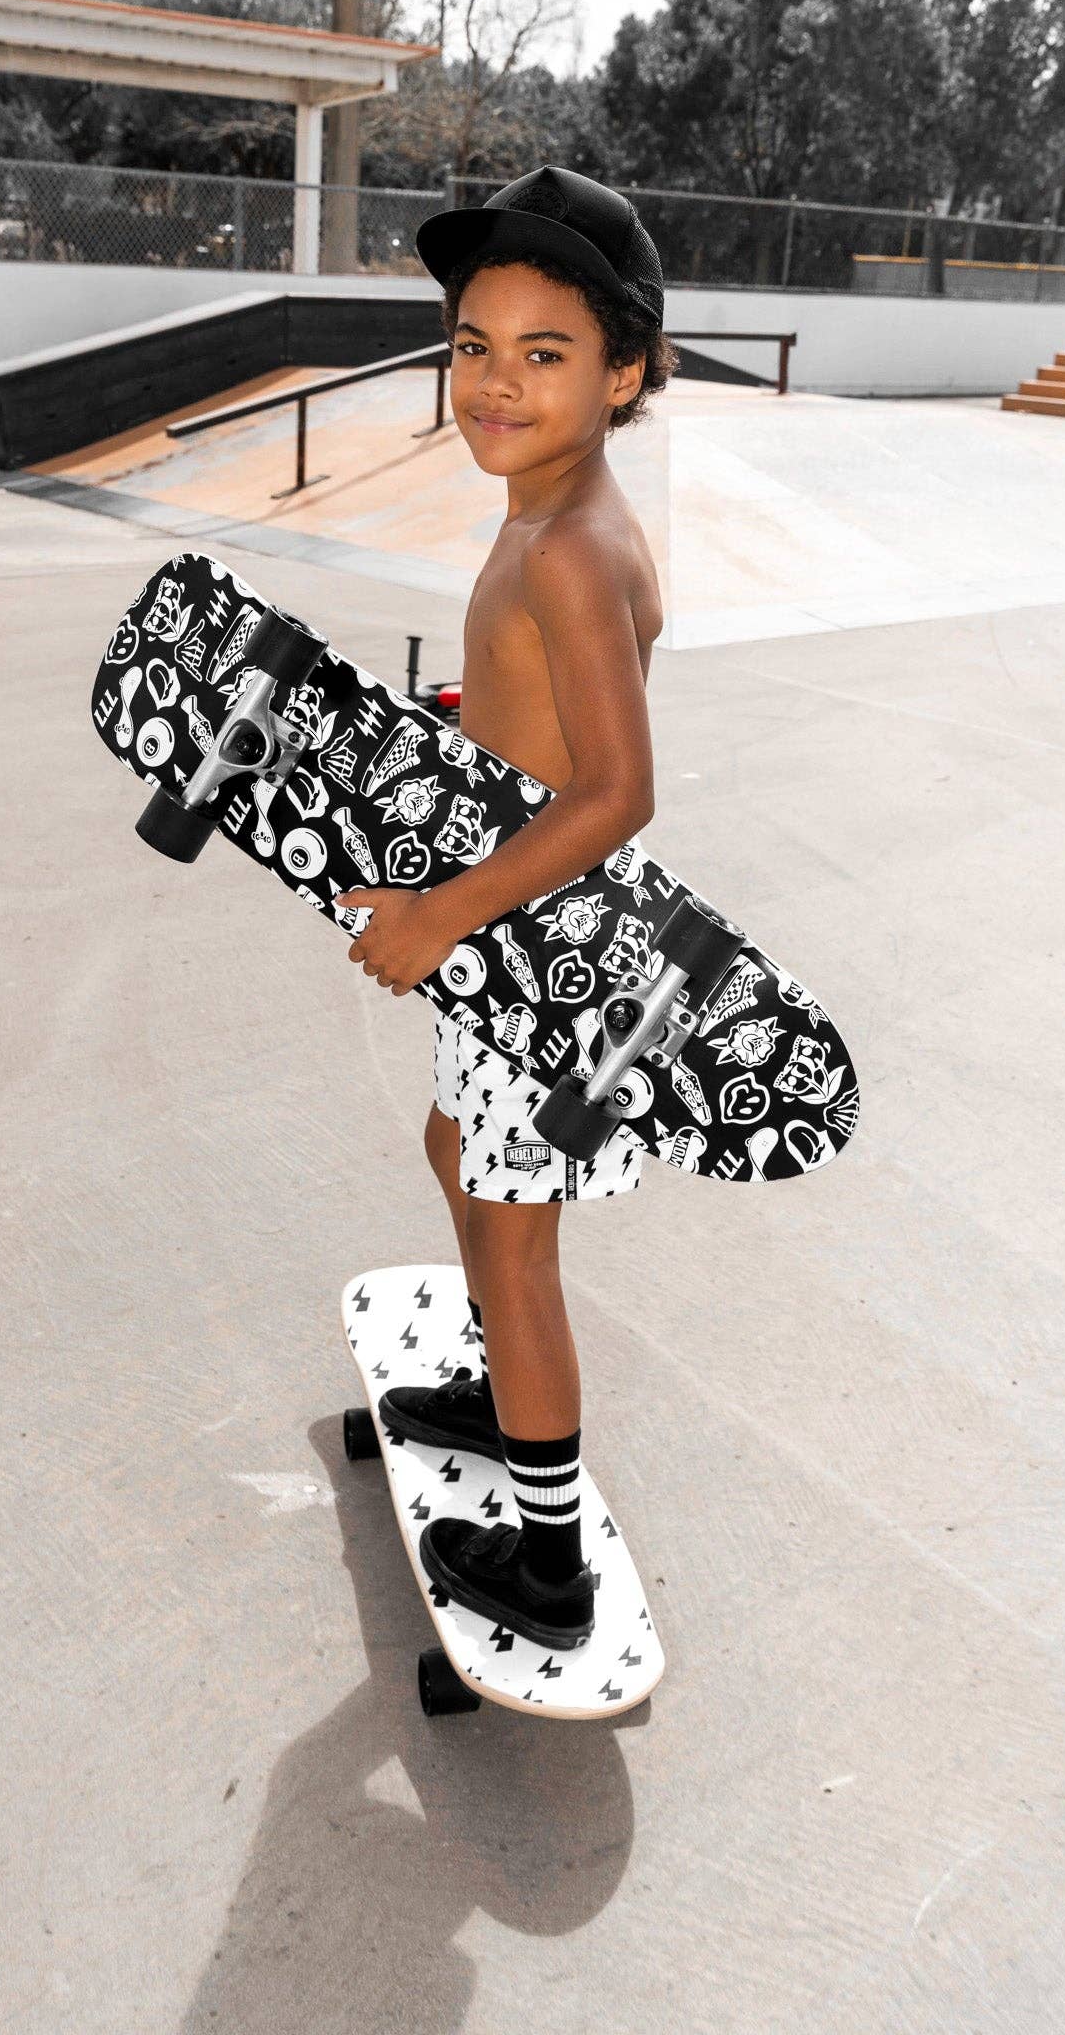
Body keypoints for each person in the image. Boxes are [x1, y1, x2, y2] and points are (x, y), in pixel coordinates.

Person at [332, 165, 676, 1650]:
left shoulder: (575, 545)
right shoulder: (542, 510)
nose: (495, 382)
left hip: (543, 953)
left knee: (515, 1237)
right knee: (452, 1150)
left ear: (625, 373)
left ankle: (546, 1562)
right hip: (513, 935)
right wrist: (467, 726)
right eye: (474, 344)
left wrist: (442, 913)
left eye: (546, 353)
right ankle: (492, 1383)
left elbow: (617, 789)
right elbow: (546, 721)